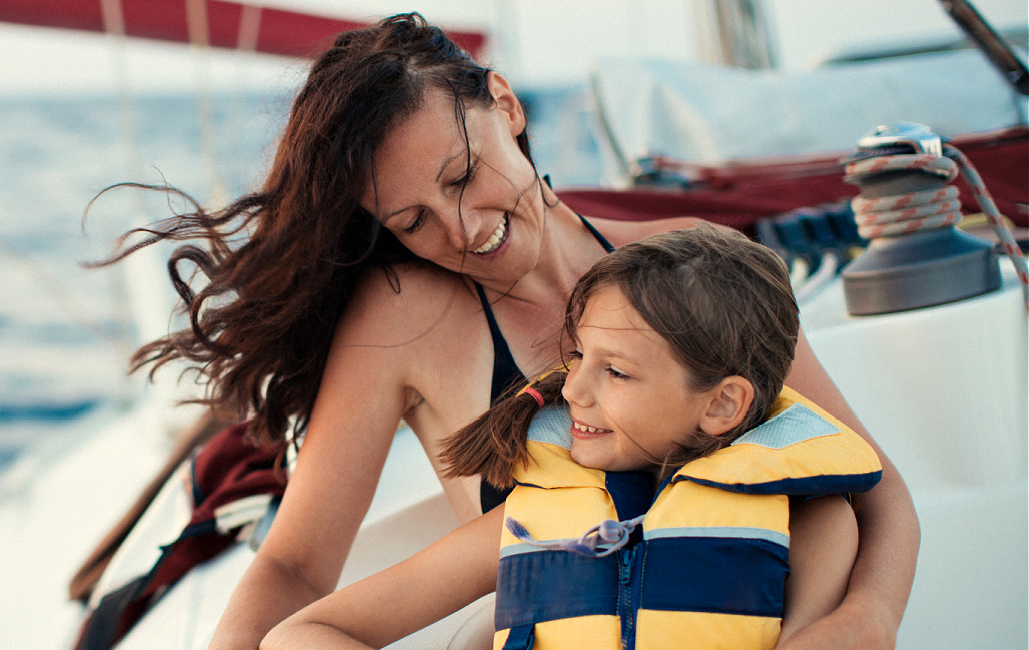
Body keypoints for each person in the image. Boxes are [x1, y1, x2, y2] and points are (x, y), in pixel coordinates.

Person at [112, 13, 916, 649]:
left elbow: (871, 493)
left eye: (463, 176)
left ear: (505, 104)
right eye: (412, 220)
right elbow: (292, 566)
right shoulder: (406, 316)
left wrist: (864, 622)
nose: (460, 230)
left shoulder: (702, 268)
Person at [260, 226, 882, 649]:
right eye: (579, 355)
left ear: (721, 404)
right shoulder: (533, 518)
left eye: (616, 371)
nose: (574, 391)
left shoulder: (815, 521)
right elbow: (302, 634)